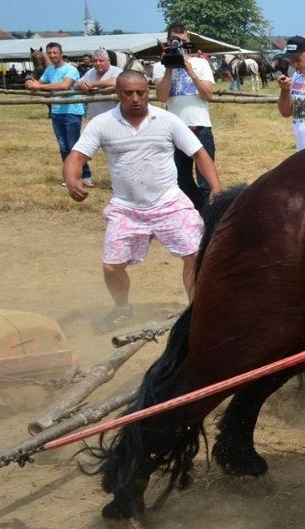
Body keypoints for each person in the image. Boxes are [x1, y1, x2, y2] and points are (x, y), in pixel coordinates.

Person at [62, 70, 221, 334]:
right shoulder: (102, 123)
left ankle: (196, 311)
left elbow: (199, 153)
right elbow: (76, 157)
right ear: (118, 94)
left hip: (169, 201)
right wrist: (71, 179)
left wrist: (215, 187)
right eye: (128, 93)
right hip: (127, 207)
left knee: (195, 255)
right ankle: (122, 309)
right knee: (112, 266)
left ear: (147, 92)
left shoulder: (167, 120)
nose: (135, 98)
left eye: (141, 93)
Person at [153, 23, 216, 211]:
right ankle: (196, 211)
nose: (179, 43)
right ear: (168, 41)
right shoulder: (160, 66)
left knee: (206, 180)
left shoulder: (201, 63)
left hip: (201, 127)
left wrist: (189, 69)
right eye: (175, 40)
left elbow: (208, 95)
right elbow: (162, 96)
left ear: (188, 41)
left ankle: (206, 218)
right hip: (176, 130)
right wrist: (170, 67)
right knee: (181, 179)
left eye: (183, 40)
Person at [25, 42, 91, 187]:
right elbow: (38, 81)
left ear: (61, 54)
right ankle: (70, 176)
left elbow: (64, 86)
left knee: (73, 146)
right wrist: (29, 82)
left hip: (71, 113)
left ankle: (85, 176)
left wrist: (39, 86)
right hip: (56, 113)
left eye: (54, 53)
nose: (52, 55)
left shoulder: (71, 69)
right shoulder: (49, 71)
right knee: (63, 148)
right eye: (49, 53)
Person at [74, 49, 121, 121]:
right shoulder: (90, 72)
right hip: (95, 118)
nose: (98, 63)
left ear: (108, 60)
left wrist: (93, 84)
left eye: (101, 61)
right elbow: (75, 85)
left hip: (114, 118)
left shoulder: (116, 71)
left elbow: (116, 82)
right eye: (95, 61)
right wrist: (82, 85)